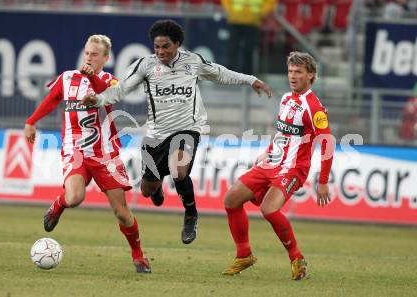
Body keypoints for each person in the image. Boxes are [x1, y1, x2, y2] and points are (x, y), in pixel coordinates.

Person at [80, 19, 272, 245]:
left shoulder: (193, 62)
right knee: (147, 190)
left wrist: (250, 80)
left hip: (187, 129)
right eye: (157, 47)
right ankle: (157, 184)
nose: (161, 51)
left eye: (166, 47)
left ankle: (191, 215)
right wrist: (98, 99)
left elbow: (220, 73)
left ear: (177, 44)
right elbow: (121, 90)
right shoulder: (145, 65)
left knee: (179, 169)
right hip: (156, 134)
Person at [24, 35, 151, 273]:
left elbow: (107, 94)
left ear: (106, 58)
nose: (89, 58)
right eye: (87, 53)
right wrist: (31, 121)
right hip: (75, 149)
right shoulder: (67, 78)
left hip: (105, 154)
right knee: (74, 198)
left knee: (122, 213)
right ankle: (57, 206)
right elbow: (51, 100)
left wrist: (91, 78)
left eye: (95, 54)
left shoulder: (109, 81)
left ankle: (139, 256)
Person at [222, 51, 334, 280]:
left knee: (269, 209)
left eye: (299, 72)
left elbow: (327, 144)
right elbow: (283, 132)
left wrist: (323, 181)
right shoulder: (285, 98)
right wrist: (268, 151)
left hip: (294, 168)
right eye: (290, 71)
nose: (293, 76)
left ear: (311, 75)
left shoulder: (314, 108)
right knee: (231, 199)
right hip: (273, 162)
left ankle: (296, 258)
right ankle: (244, 254)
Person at [222, 0, 277, 74]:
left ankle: (246, 74)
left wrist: (263, 12)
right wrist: (228, 9)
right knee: (233, 48)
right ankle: (230, 73)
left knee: (249, 49)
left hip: (252, 21)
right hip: (236, 20)